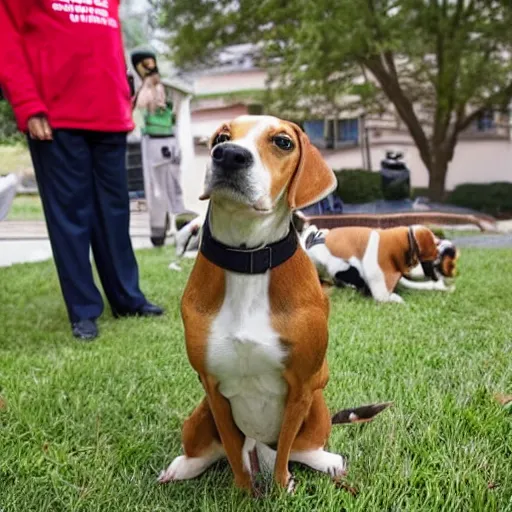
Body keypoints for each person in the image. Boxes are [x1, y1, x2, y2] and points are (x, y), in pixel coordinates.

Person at [0, 0, 164, 341]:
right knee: (71, 216)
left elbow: (109, 39)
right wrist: (27, 103)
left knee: (114, 212)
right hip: (55, 115)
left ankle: (127, 298)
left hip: (109, 114)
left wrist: (122, 97)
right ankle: (84, 310)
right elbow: (6, 39)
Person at [131, 49, 186, 247]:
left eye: (151, 62)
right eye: (144, 64)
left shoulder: (166, 87)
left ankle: (184, 228)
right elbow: (141, 105)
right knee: (156, 190)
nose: (150, 67)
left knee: (174, 187)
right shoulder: (140, 88)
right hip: (152, 143)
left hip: (170, 141)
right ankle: (158, 232)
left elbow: (175, 109)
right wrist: (147, 84)